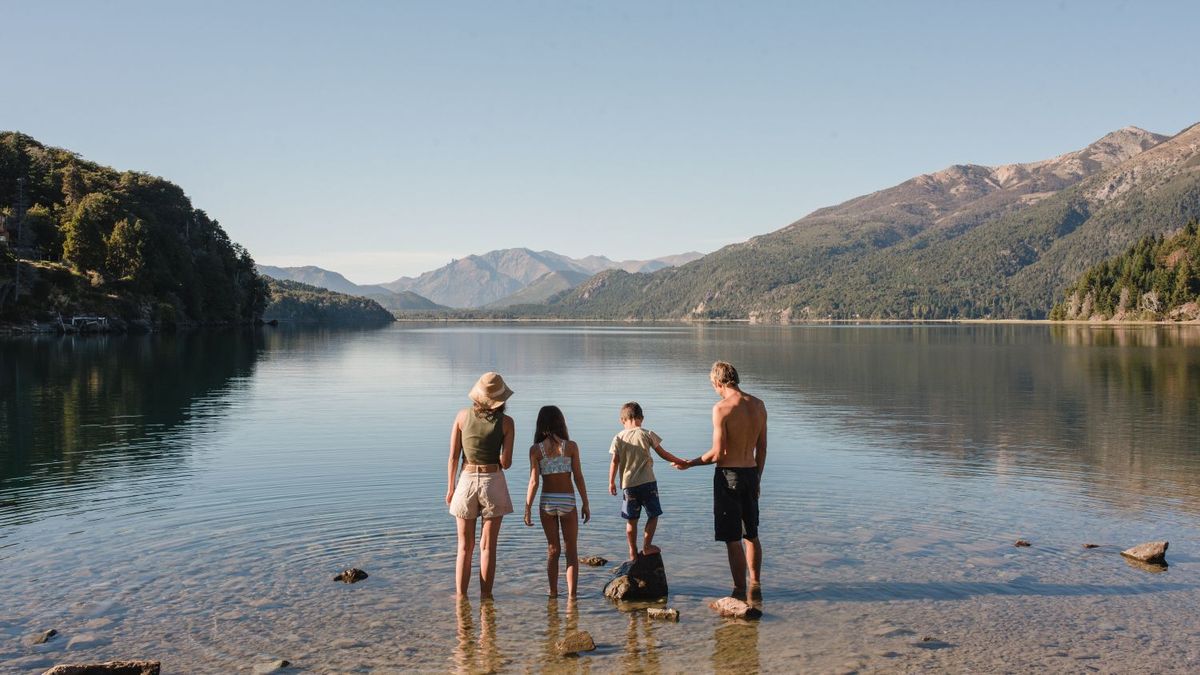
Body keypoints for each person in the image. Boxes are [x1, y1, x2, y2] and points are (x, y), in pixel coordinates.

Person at [677, 361, 768, 599]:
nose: (714, 390)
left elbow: (718, 454)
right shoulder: (759, 405)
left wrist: (690, 463)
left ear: (719, 382)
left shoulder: (721, 408)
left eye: (713, 385)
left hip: (729, 477)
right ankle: (755, 585)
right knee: (751, 534)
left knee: (732, 538)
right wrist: (758, 478)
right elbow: (762, 448)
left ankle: (739, 590)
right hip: (751, 473)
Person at [447, 372, 516, 598]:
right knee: (487, 547)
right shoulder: (507, 422)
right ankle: (486, 600)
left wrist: (450, 488)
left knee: (464, 548)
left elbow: (453, 457)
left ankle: (461, 600)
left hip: (465, 481)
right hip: (492, 480)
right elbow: (506, 463)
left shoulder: (461, 416)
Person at [523, 405, 591, 597]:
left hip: (547, 502)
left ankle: (553, 593)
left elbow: (534, 481)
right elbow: (578, 477)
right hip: (567, 501)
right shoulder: (570, 447)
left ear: (540, 424)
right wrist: (585, 503)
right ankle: (572, 597)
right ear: (561, 423)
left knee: (553, 549)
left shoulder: (536, 450)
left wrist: (527, 507)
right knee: (571, 551)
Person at [609, 401, 687, 561]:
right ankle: (647, 546)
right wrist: (681, 461)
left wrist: (611, 482)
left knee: (631, 520)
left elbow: (614, 462)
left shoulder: (618, 438)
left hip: (628, 486)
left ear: (622, 420)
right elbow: (663, 454)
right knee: (653, 515)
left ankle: (632, 551)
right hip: (648, 483)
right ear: (642, 418)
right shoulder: (647, 434)